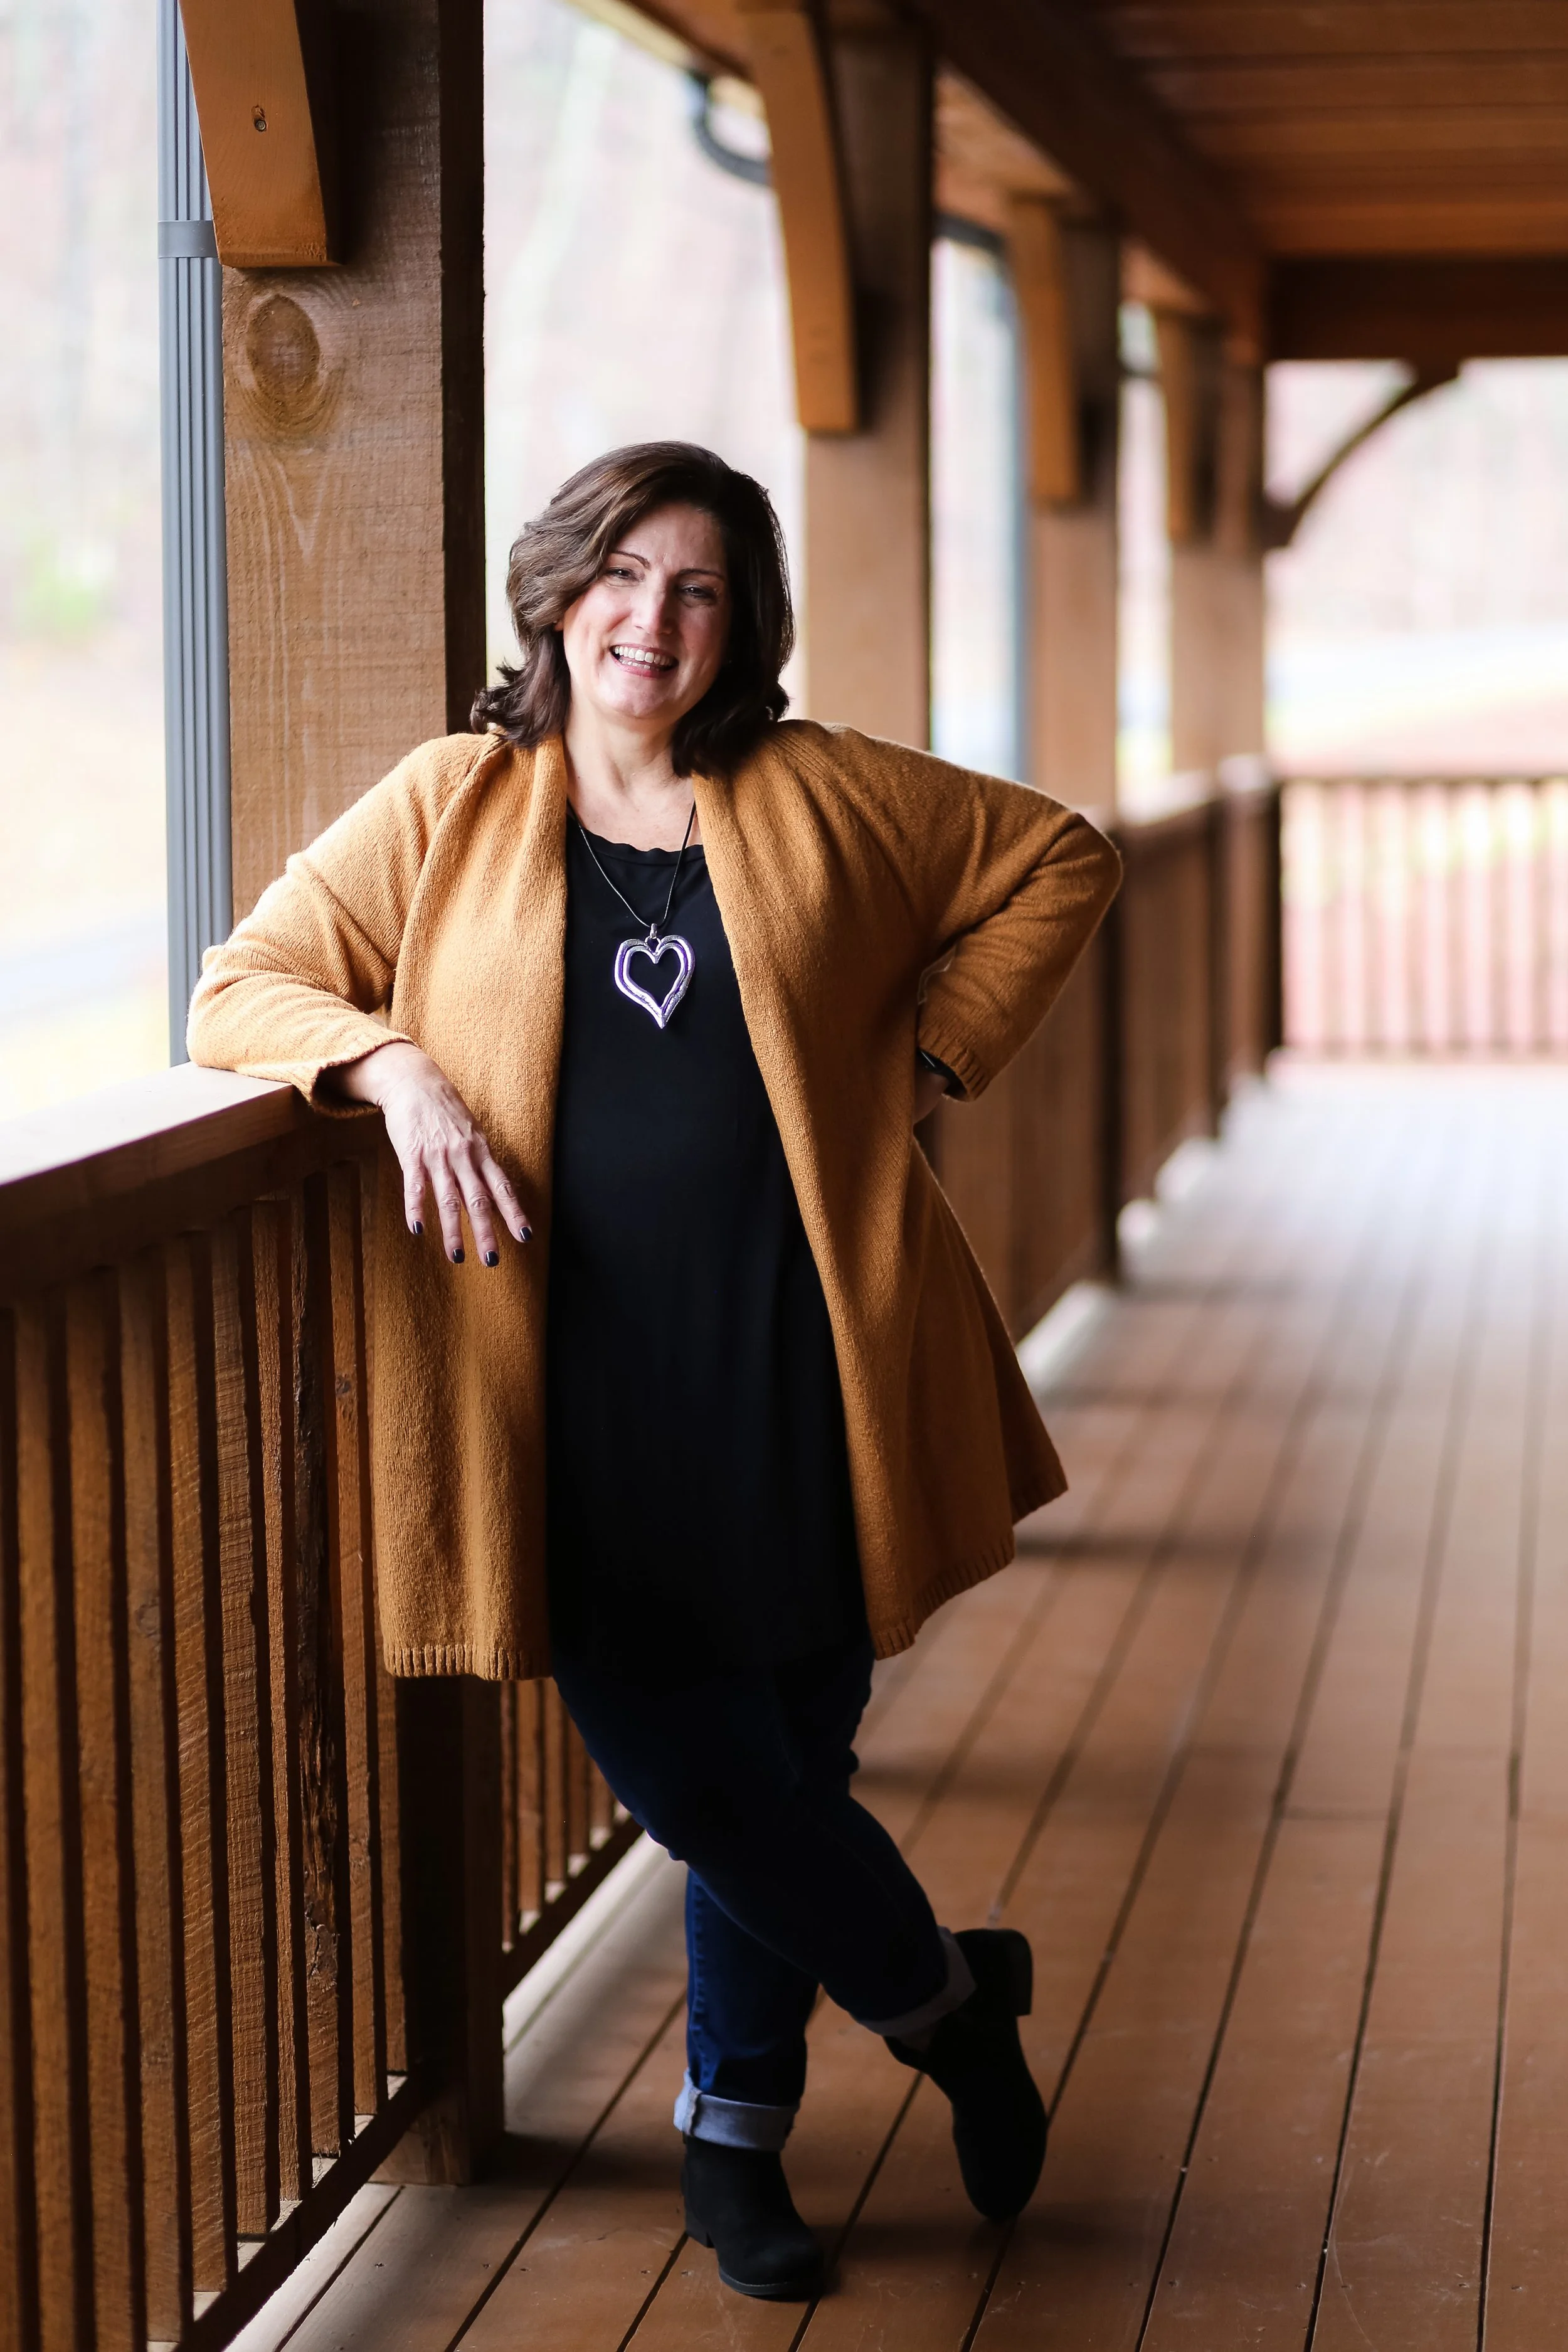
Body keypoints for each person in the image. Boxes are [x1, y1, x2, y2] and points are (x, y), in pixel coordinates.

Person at [189, 440, 1120, 2301]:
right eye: (620, 574)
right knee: (708, 1785)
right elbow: (243, 984)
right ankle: (953, 2004)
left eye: (697, 588)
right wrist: (395, 1072)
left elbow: (1055, 858)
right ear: (556, 594)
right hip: (571, 1404)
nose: (651, 618)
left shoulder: (817, 789)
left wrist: (929, 1053)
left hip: (804, 1374)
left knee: (780, 1770)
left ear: (739, 624)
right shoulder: (452, 804)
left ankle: (733, 2138)